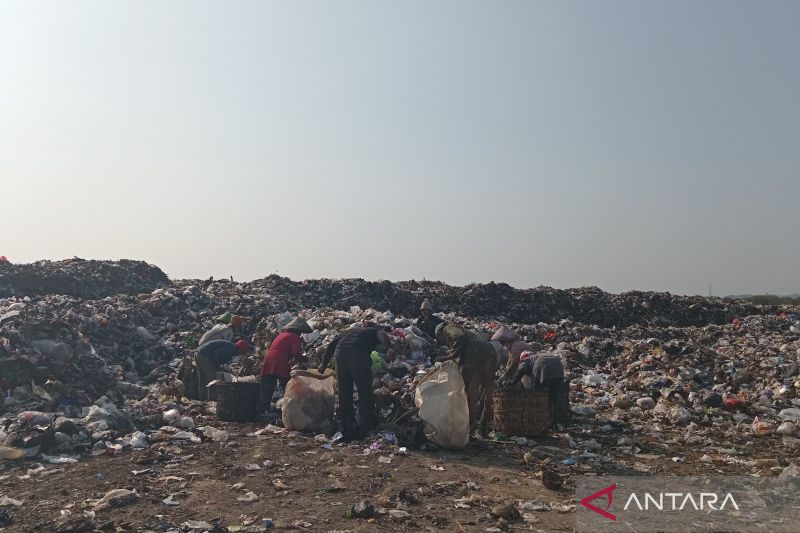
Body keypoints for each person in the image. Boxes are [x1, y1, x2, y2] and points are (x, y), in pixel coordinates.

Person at [318, 324, 388, 439]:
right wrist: (387, 346)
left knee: (344, 390)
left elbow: (331, 345)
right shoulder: (375, 331)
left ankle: (347, 424)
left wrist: (324, 364)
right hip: (357, 353)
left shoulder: (349, 331)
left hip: (339, 354)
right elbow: (381, 336)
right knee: (364, 389)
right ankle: (366, 425)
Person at [435, 323, 497, 436]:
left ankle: (469, 429)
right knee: (487, 393)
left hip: (474, 356)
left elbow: (461, 338)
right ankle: (482, 428)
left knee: (470, 394)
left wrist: (450, 356)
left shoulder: (447, 328)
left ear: (439, 333)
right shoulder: (469, 333)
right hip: (491, 353)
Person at [259, 317, 312, 413]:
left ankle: (262, 411)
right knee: (287, 386)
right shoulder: (294, 337)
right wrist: (305, 360)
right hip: (279, 361)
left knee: (267, 388)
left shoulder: (282, 335)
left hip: (268, 360)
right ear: (298, 331)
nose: (301, 334)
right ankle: (288, 409)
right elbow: (296, 353)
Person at [508, 351, 570, 425]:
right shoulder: (537, 356)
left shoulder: (526, 360)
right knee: (554, 396)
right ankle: (554, 421)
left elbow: (521, 369)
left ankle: (539, 418)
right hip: (557, 364)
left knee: (537, 394)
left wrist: (513, 382)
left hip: (543, 365)